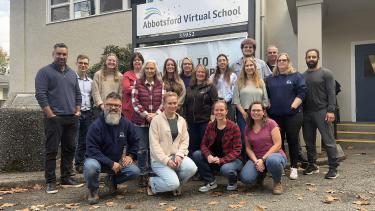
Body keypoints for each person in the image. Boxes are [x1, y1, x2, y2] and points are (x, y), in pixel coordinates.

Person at [35, 43, 82, 194]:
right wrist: (51, 115)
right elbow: (40, 95)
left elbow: (77, 94)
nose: (61, 57)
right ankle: (50, 182)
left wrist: (77, 111)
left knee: (69, 149)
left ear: (67, 55)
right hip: (54, 118)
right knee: (52, 151)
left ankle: (66, 178)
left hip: (71, 118)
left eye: (64, 54)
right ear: (53, 54)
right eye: (58, 54)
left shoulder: (72, 73)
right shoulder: (44, 72)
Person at [84, 92, 140, 205]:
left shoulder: (126, 124)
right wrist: (110, 163)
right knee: (91, 167)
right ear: (104, 105)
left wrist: (130, 155)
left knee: (135, 171)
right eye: (110, 104)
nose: (113, 108)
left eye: (117, 105)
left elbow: (135, 141)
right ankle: (93, 190)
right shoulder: (95, 126)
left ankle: (111, 180)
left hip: (116, 162)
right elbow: (92, 150)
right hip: (97, 160)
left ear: (121, 107)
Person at [147, 92, 197, 196]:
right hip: (159, 160)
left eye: (175, 103)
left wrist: (179, 155)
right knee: (172, 183)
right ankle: (152, 183)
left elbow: (185, 140)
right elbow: (154, 145)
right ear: (164, 104)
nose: (173, 105)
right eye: (169, 103)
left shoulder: (181, 120)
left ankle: (175, 185)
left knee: (192, 168)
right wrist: (166, 160)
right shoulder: (156, 121)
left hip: (176, 156)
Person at [266, 53, 306, 180]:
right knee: (278, 142)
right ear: (276, 62)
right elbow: (266, 95)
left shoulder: (296, 76)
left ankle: (294, 167)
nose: (281, 62)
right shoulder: (271, 78)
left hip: (293, 115)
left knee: (293, 140)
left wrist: (293, 106)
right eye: (279, 60)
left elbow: (303, 92)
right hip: (275, 116)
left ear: (288, 62)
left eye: (284, 60)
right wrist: (269, 107)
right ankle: (281, 166)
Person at [302, 49, 339, 179]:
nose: (311, 59)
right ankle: (312, 165)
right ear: (305, 58)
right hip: (307, 113)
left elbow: (331, 93)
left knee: (328, 141)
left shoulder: (326, 73)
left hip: (323, 111)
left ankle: (333, 168)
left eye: (313, 57)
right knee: (309, 141)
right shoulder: (303, 76)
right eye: (309, 57)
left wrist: (331, 110)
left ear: (318, 58)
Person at [193, 100, 242, 192]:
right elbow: (203, 144)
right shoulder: (210, 126)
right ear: (213, 112)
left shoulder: (234, 127)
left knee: (226, 169)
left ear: (226, 111)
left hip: (232, 160)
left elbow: (237, 150)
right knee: (197, 154)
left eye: (221, 110)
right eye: (216, 110)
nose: (219, 112)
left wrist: (222, 160)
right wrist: (209, 156)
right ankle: (211, 181)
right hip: (215, 159)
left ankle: (233, 181)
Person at [240, 102, 287, 195]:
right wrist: (256, 161)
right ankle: (260, 176)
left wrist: (262, 159)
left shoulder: (271, 123)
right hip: (257, 157)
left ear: (264, 112)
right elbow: (248, 148)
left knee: (273, 161)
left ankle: (277, 182)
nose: (256, 112)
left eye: (258, 110)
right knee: (246, 178)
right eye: (253, 110)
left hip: (275, 155)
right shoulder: (247, 127)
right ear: (250, 112)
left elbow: (278, 144)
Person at [132, 60, 164, 186]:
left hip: (156, 122)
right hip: (140, 122)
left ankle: (153, 171)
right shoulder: (138, 82)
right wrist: (146, 115)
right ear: (144, 69)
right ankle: (142, 173)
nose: (150, 71)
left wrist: (155, 115)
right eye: (148, 68)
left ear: (155, 70)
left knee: (154, 148)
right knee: (142, 149)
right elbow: (135, 101)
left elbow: (163, 102)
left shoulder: (160, 84)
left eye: (152, 68)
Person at [232, 57, 269, 151]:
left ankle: (260, 160)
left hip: (258, 113)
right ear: (244, 68)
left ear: (255, 67)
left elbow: (265, 99)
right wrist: (243, 113)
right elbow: (236, 100)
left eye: (251, 65)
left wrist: (261, 113)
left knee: (259, 137)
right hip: (243, 113)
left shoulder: (260, 82)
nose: (249, 67)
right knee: (245, 138)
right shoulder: (239, 82)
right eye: (247, 66)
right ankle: (246, 162)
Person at [183, 64, 218, 157]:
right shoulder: (189, 88)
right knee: (192, 146)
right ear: (195, 73)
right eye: (198, 72)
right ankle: (194, 168)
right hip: (191, 123)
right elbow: (185, 105)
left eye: (203, 72)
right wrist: (185, 119)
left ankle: (205, 167)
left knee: (205, 146)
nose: (200, 74)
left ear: (206, 74)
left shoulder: (210, 86)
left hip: (205, 122)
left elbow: (215, 103)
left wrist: (212, 118)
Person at [74, 54, 93, 174]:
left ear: (88, 65)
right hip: (75, 113)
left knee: (84, 140)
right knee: (73, 140)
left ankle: (81, 163)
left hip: (88, 113)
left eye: (85, 63)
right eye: (81, 63)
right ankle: (71, 165)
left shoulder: (90, 81)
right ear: (76, 64)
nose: (83, 65)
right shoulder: (71, 79)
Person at [92, 53, 123, 118]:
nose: (111, 62)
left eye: (114, 61)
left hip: (114, 108)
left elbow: (120, 93)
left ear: (116, 63)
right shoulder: (98, 74)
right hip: (100, 109)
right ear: (105, 61)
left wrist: (117, 105)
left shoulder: (120, 76)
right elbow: (95, 92)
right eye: (109, 60)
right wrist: (101, 105)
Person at [210, 54, 237, 120]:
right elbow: (211, 90)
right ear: (217, 63)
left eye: (224, 60)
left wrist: (225, 100)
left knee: (229, 125)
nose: (222, 62)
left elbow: (234, 91)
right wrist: (218, 101)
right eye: (220, 61)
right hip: (217, 103)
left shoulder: (233, 75)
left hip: (229, 104)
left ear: (227, 62)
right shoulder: (213, 77)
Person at [122, 52, 144, 120]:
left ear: (142, 62)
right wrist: (141, 88)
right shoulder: (127, 74)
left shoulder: (146, 74)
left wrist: (133, 87)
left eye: (139, 60)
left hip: (143, 107)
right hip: (129, 108)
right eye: (135, 60)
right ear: (132, 62)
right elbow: (126, 89)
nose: (137, 61)